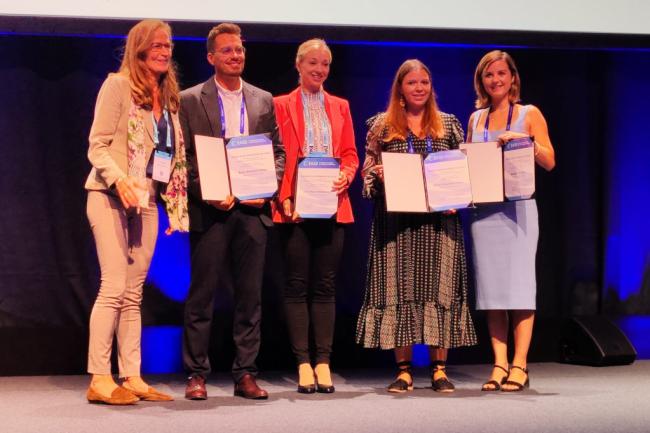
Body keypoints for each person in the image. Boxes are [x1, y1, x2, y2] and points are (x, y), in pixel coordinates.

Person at [356, 59, 477, 393]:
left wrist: (460, 197)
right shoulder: (381, 127)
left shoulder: (449, 125)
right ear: (400, 88)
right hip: (396, 224)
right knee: (399, 291)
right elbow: (365, 178)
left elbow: (464, 174)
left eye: (424, 82)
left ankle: (439, 370)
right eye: (412, 83)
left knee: (440, 293)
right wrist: (377, 177)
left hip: (440, 225)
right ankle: (404, 370)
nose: (419, 88)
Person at [84, 19, 188, 405]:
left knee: (133, 292)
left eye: (169, 45)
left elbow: (168, 159)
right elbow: (96, 146)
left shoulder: (169, 98)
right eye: (157, 45)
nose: (164, 51)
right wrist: (119, 180)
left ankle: (132, 375)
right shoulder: (117, 86)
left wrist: (173, 206)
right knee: (112, 287)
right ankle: (99, 377)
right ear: (139, 48)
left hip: (147, 200)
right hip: (109, 195)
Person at [180, 22, 285, 400]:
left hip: (251, 209)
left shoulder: (262, 98)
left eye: (239, 49)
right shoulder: (190, 99)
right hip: (211, 209)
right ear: (211, 57)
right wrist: (206, 190)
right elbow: (183, 159)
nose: (236, 55)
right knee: (202, 294)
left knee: (249, 296)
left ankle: (244, 373)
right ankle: (196, 374)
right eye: (227, 50)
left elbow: (278, 153)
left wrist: (267, 188)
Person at [273, 39, 359, 394]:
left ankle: (323, 361)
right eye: (312, 62)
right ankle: (303, 363)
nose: (319, 69)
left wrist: (348, 175)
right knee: (296, 286)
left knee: (325, 286)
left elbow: (351, 154)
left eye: (324, 64)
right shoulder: (279, 104)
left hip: (331, 205)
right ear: (298, 65)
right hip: (294, 207)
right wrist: (285, 196)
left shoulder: (340, 106)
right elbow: (275, 153)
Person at [466, 50, 555, 392]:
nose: (496, 80)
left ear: (513, 78)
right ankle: (499, 364)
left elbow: (549, 160)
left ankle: (520, 364)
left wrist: (525, 143)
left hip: (519, 210)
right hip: (484, 212)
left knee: (519, 289)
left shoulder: (529, 114)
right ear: (482, 81)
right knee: (492, 293)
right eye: (489, 75)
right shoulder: (476, 119)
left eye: (502, 74)